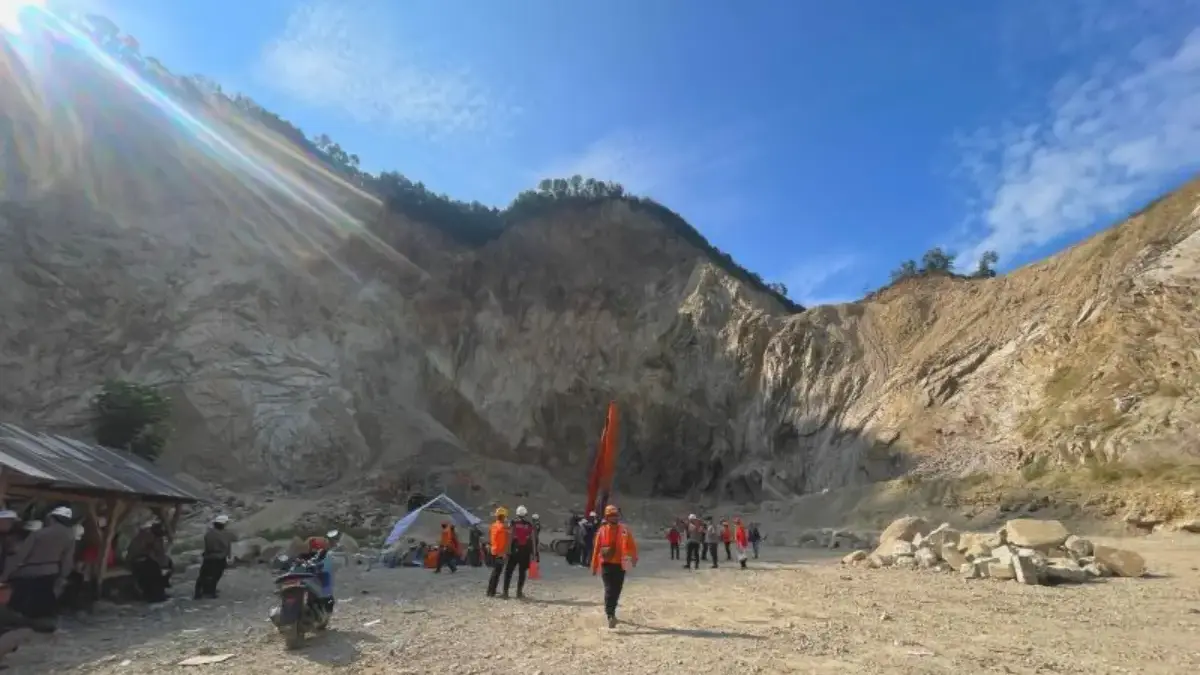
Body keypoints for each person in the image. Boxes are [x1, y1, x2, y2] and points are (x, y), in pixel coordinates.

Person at [2, 506, 74, 619]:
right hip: (51, 572)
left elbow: (20, 556)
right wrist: (64, 575)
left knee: (22, 601)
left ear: (52, 519)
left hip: (29, 573)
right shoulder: (69, 536)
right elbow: (67, 559)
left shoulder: (39, 534)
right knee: (44, 601)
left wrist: (5, 575)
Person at [590, 504, 638, 629]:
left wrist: (634, 558)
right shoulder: (602, 531)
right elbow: (596, 548)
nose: (614, 518)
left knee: (617, 590)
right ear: (607, 517)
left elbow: (632, 545)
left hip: (621, 564)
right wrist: (594, 565)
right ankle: (610, 614)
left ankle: (612, 611)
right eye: (611, 516)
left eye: (615, 515)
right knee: (609, 589)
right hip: (606, 564)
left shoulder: (624, 530)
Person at [127, 521, 172, 603]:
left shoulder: (157, 538)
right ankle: (153, 593)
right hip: (137, 560)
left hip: (146, 559)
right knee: (152, 568)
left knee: (167, 564)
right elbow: (145, 552)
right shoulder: (146, 536)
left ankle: (161, 588)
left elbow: (160, 553)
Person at [194, 515, 233, 599]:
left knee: (203, 575)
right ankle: (211, 592)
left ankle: (198, 592)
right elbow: (227, 546)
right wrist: (229, 556)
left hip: (208, 557)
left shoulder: (209, 534)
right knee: (216, 575)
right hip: (219, 557)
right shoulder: (225, 534)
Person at [503, 506, 536, 599]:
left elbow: (510, 536)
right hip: (525, 550)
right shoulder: (529, 524)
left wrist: (507, 550)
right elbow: (532, 539)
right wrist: (534, 553)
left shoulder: (513, 523)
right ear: (525, 514)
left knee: (509, 571)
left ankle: (505, 592)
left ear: (517, 514)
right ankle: (519, 592)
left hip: (514, 549)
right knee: (522, 572)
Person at [485, 507, 510, 598]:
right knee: (496, 573)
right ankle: (491, 592)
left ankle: (490, 591)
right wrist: (503, 553)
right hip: (499, 553)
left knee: (494, 572)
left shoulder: (493, 525)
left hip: (493, 550)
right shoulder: (502, 528)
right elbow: (503, 542)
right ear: (503, 517)